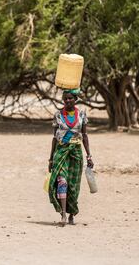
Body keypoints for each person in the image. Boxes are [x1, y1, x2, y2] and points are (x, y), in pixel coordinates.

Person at [47, 89, 94, 226]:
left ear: (75, 99)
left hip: (76, 153)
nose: (67, 101)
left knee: (73, 186)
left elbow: (84, 136)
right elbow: (55, 138)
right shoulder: (58, 115)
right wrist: (50, 159)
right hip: (61, 152)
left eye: (70, 98)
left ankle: (72, 213)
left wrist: (89, 156)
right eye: (65, 99)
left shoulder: (82, 114)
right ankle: (63, 214)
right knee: (62, 181)